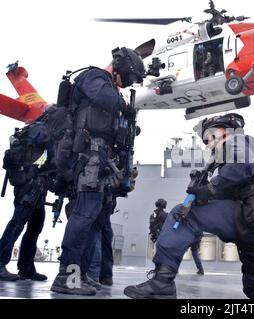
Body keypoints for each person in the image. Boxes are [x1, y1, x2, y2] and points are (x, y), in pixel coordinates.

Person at [123, 113, 254, 299]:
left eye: (210, 136)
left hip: (244, 214)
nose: (208, 142)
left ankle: (162, 283)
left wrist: (210, 189)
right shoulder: (247, 147)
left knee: (182, 214)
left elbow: (241, 168)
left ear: (225, 130)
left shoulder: (236, 141)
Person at [50, 47, 145, 296]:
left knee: (90, 218)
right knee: (83, 216)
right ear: (119, 68)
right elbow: (106, 99)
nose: (128, 84)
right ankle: (66, 278)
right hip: (89, 156)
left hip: (100, 158)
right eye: (130, 77)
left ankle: (78, 275)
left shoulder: (108, 87)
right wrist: (125, 107)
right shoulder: (95, 77)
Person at [0, 117, 52, 281]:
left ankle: (26, 267)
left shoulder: (39, 129)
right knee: (17, 223)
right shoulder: (40, 130)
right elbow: (44, 151)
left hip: (36, 185)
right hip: (28, 185)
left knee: (36, 226)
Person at [150, 198, 204, 275]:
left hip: (160, 235)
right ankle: (200, 269)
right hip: (194, 236)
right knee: (192, 253)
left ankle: (164, 268)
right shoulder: (164, 214)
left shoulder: (154, 214)